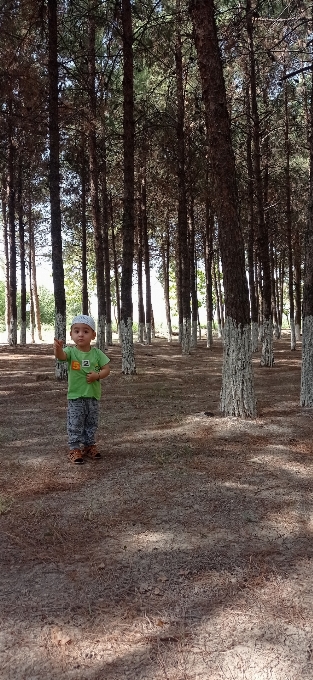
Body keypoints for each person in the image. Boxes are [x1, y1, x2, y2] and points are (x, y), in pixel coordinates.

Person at [53, 314, 110, 464]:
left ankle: (89, 445)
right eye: (76, 331)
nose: (81, 335)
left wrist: (97, 375)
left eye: (85, 331)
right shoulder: (71, 352)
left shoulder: (97, 353)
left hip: (93, 396)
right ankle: (74, 448)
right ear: (71, 334)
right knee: (75, 422)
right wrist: (58, 349)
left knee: (91, 422)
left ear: (93, 335)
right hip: (76, 396)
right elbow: (61, 357)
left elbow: (106, 369)